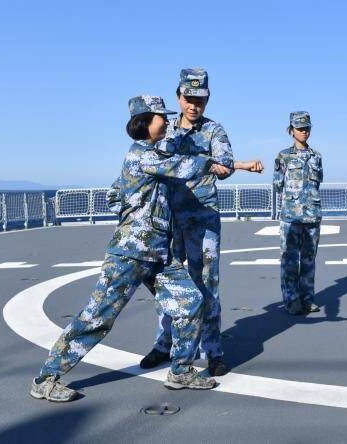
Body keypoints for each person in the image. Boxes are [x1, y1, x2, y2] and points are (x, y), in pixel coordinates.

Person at [30, 96, 215, 402]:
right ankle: (46, 378)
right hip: (129, 254)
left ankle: (180, 370)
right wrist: (220, 163)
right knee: (98, 317)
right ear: (145, 122)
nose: (167, 122)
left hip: (157, 254)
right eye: (161, 118)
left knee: (191, 301)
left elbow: (114, 194)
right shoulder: (142, 155)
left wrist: (135, 209)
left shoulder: (150, 157)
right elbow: (184, 166)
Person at [139, 68, 263, 377]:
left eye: (201, 100)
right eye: (189, 99)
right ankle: (164, 344)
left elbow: (223, 163)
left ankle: (213, 350)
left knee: (207, 286)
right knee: (170, 288)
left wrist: (224, 169)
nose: (195, 106)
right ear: (178, 97)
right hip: (167, 222)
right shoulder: (164, 131)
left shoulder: (214, 131)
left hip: (202, 221)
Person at [273, 111, 324, 315]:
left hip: (312, 214)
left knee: (309, 260)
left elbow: (318, 182)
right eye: (299, 128)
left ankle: (307, 298)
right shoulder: (283, 156)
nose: (303, 131)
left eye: (306, 128)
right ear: (291, 130)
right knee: (290, 260)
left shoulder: (317, 157)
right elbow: (277, 184)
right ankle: (291, 299)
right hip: (290, 216)